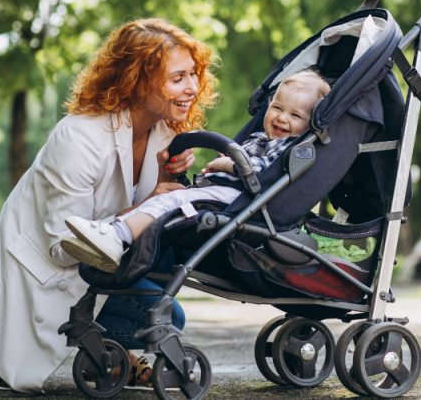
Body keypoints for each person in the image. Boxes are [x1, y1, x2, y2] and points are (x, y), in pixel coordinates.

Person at [0, 18, 218, 393]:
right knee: (163, 316)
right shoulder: (78, 137)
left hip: (98, 262)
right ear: (137, 80)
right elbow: (64, 247)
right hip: (45, 271)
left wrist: (161, 182)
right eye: (178, 78)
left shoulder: (165, 130)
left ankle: (111, 357)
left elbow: (137, 215)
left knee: (166, 303)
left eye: (194, 74)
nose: (192, 87)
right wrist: (156, 200)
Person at [61, 69, 330, 273]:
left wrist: (229, 163)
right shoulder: (261, 137)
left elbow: (260, 170)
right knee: (168, 199)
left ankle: (117, 236)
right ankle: (111, 235)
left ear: (309, 125)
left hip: (242, 200)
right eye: (277, 108)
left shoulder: (291, 147)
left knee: (172, 200)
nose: (282, 118)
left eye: (295, 116)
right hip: (222, 192)